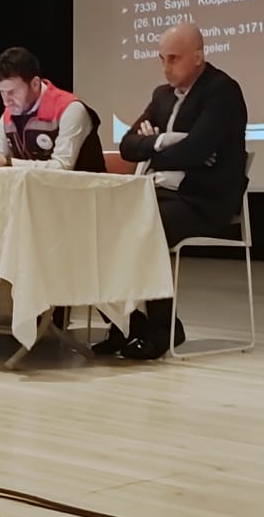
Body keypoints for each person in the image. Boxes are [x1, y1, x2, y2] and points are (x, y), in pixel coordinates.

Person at [100, 23, 249, 361]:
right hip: (159, 192)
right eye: (162, 59)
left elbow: (196, 150)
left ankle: (163, 329)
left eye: (174, 59)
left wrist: (154, 147)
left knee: (145, 225)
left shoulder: (222, 91)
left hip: (204, 200)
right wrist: (164, 141)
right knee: (104, 220)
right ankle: (126, 324)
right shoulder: (161, 96)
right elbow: (127, 146)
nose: (166, 67)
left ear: (198, 57)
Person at [0, 47, 105, 171]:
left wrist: (8, 162)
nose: (6, 101)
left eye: (12, 92)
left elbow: (62, 167)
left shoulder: (70, 110)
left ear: (35, 84)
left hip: (85, 190)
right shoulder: (8, 116)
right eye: (1, 92)